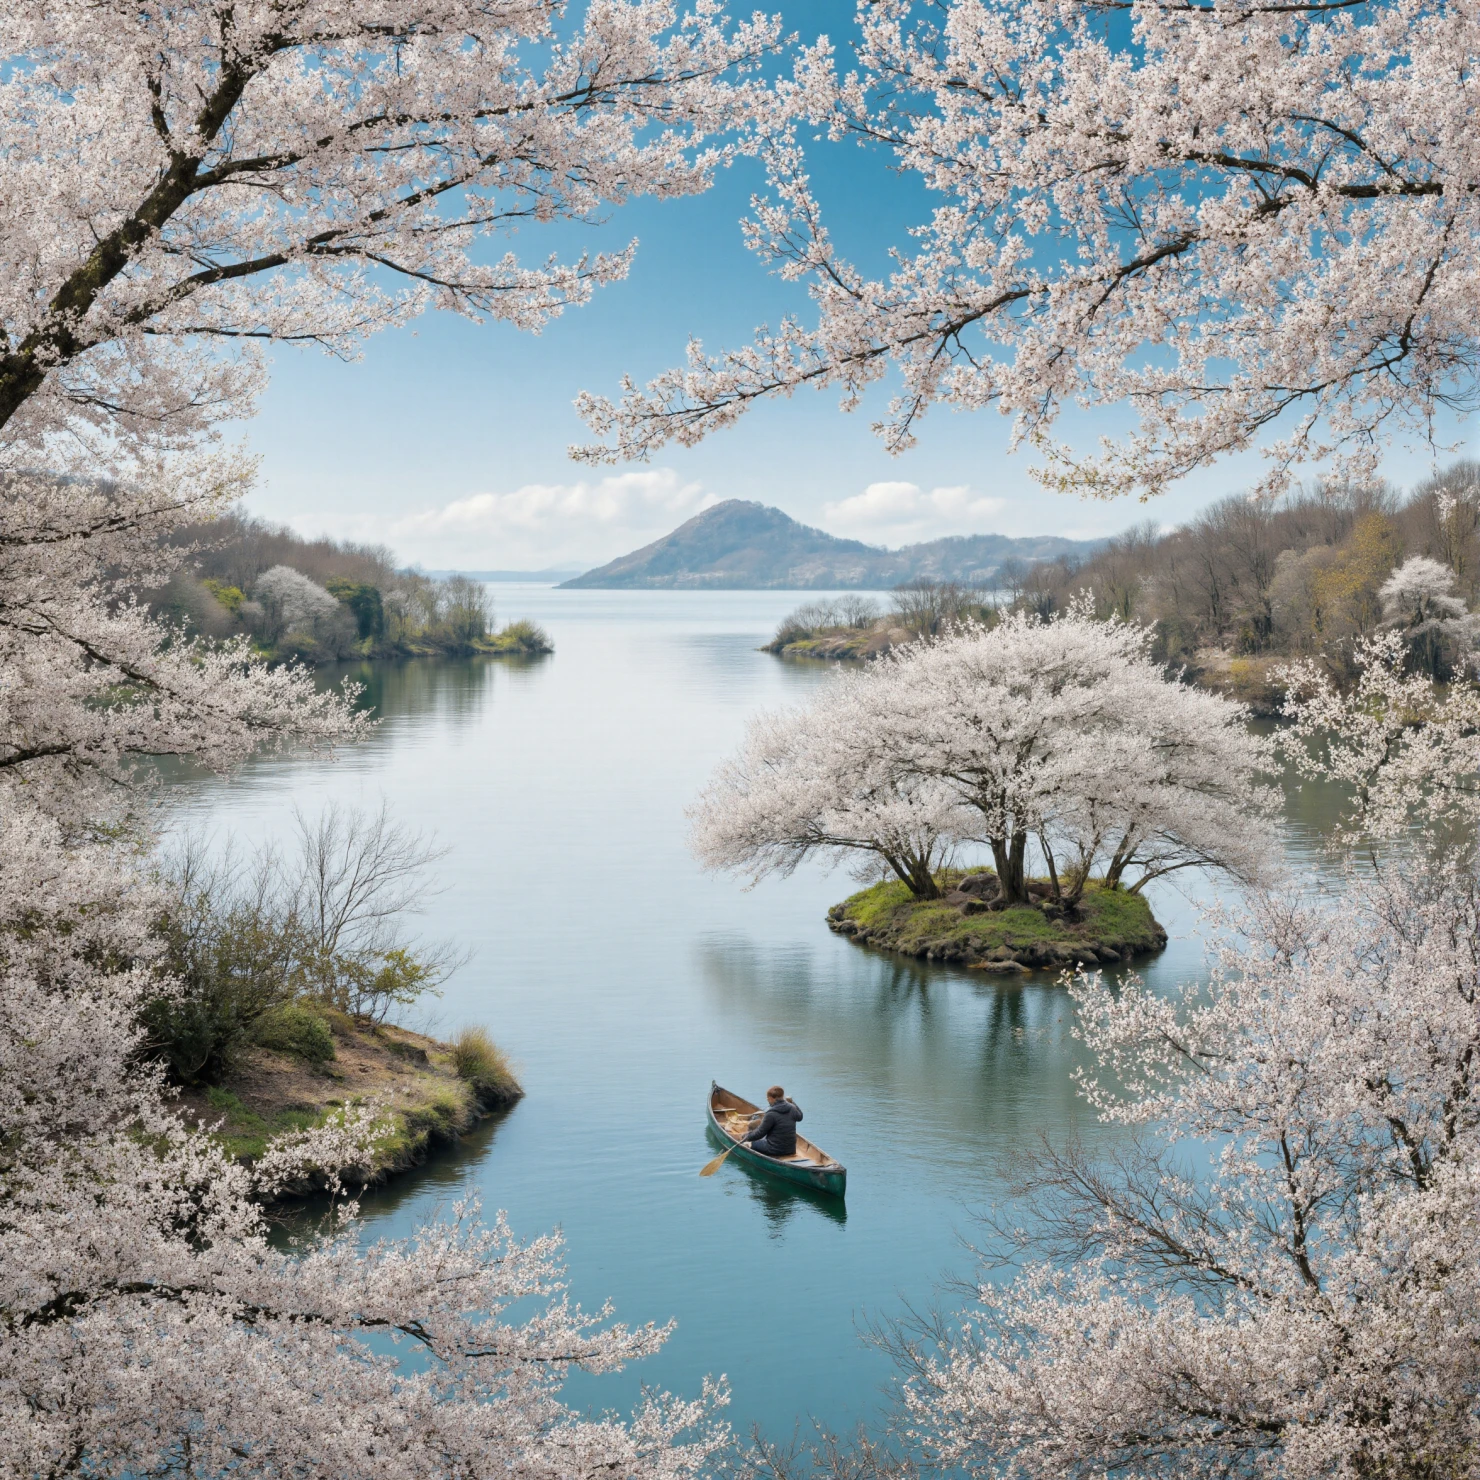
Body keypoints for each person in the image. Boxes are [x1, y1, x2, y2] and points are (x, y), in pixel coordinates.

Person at [742, 1085, 802, 1158]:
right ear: (782, 1096)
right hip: (791, 1149)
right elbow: (800, 1117)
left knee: (748, 1143)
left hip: (774, 1150)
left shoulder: (771, 1114)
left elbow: (760, 1134)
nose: (767, 1100)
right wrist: (792, 1102)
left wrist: (746, 1136)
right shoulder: (792, 1108)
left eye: (767, 1099)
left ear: (770, 1098)